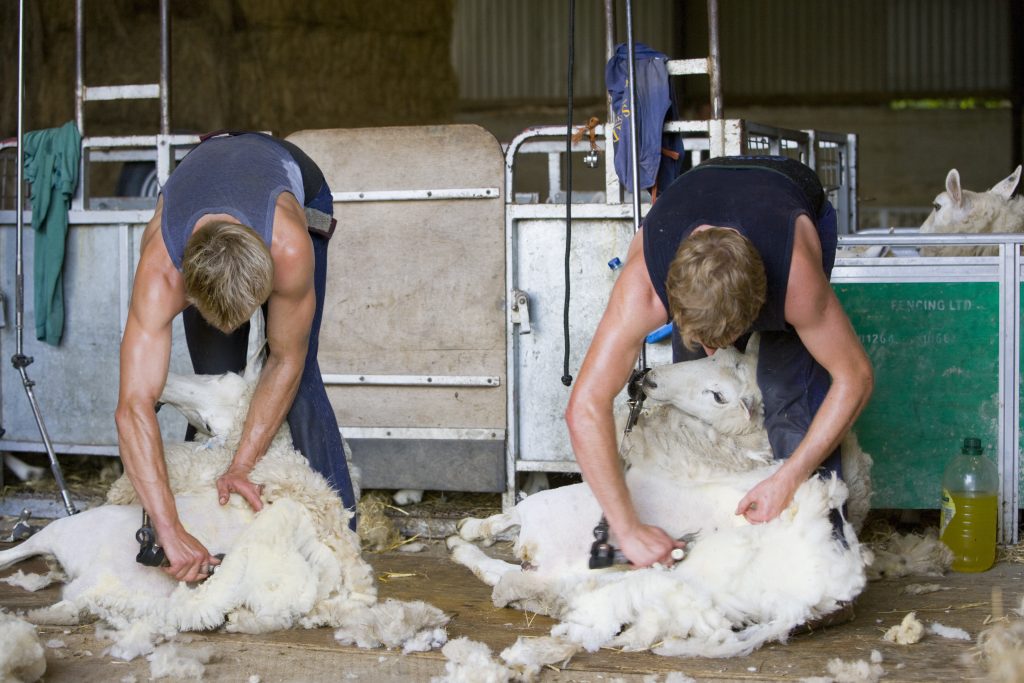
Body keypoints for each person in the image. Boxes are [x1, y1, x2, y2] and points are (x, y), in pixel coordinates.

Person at [565, 155, 874, 568]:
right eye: (701, 338)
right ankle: (711, 534)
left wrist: (788, 478)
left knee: (786, 389)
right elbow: (584, 407)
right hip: (695, 198)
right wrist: (627, 529)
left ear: (761, 306)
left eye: (722, 340)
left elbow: (854, 377)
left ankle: (826, 558)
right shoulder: (644, 288)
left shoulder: (795, 281)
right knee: (696, 395)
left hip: (787, 195)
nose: (714, 351)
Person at [115, 131, 356, 583]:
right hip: (206, 178)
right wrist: (168, 528)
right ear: (187, 288)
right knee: (216, 377)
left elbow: (285, 359)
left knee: (300, 382)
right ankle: (195, 527)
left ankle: (341, 540)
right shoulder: (161, 271)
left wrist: (243, 464)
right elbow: (133, 407)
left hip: (285, 174)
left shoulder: (288, 248)